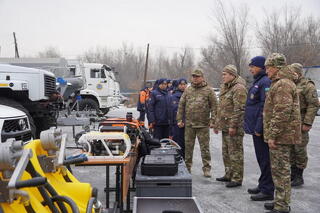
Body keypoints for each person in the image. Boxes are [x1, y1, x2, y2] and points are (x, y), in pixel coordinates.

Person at [263, 53, 301, 213]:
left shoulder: (283, 84)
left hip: (281, 136)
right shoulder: (280, 83)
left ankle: (282, 205)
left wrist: (273, 135)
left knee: (281, 170)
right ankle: (280, 200)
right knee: (278, 170)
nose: (266, 71)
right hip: (282, 134)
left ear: (277, 67)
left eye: (268, 68)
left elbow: (282, 112)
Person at [176, 69, 218, 177]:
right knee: (188, 148)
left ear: (202, 77)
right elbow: (181, 105)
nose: (195, 78)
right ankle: (187, 167)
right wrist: (179, 119)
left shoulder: (209, 90)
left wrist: (213, 120)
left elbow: (214, 106)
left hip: (203, 125)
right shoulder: (188, 90)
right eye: (193, 77)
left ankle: (206, 168)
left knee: (205, 148)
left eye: (197, 76)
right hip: (189, 125)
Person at [244, 56, 274, 200]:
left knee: (265, 160)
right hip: (256, 128)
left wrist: (259, 127)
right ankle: (263, 185)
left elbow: (264, 107)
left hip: (260, 129)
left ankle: (268, 190)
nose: (250, 69)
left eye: (253, 66)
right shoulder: (259, 81)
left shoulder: (265, 82)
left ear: (261, 67)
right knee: (261, 159)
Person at [214, 65, 247, 188]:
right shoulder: (225, 87)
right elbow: (221, 107)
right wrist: (217, 124)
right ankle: (229, 174)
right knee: (226, 152)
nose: (223, 76)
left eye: (225, 74)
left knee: (235, 153)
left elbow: (239, 109)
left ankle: (237, 178)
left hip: (234, 127)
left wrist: (233, 126)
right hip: (225, 126)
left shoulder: (239, 88)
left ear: (232, 75)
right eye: (222, 74)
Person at [289, 63, 320, 187]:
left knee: (300, 149)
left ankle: (299, 176)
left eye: (293, 73)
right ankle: (292, 174)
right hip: (290, 121)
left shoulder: (308, 85)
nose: (291, 75)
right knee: (291, 148)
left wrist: (307, 122)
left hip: (301, 120)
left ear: (299, 73)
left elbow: (313, 105)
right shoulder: (290, 84)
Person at [169, 78, 188, 158]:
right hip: (178, 124)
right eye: (181, 84)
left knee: (187, 144)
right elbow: (174, 111)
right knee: (179, 144)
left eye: (184, 84)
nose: (183, 86)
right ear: (177, 85)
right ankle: (180, 159)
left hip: (189, 124)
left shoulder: (189, 94)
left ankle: (186, 160)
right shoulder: (174, 96)